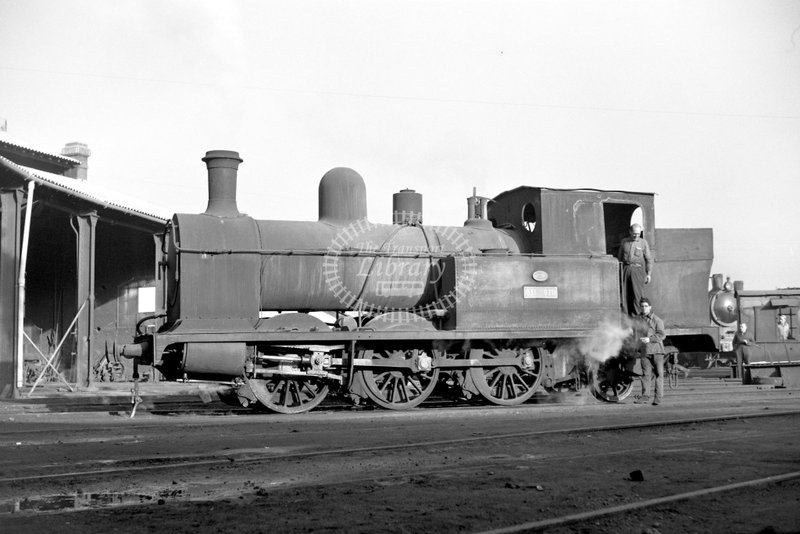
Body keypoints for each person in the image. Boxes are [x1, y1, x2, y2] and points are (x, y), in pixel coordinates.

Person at [633, 297, 666, 405]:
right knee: (645, 375)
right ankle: (645, 396)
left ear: (650, 307)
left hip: (656, 351)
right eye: (642, 306)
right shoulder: (637, 319)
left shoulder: (657, 320)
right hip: (644, 351)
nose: (644, 308)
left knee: (659, 374)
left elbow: (662, 335)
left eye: (646, 306)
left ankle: (658, 398)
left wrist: (650, 339)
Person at [618, 223, 653, 316]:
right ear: (630, 232)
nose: (636, 235)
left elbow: (648, 259)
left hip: (638, 270)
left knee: (637, 295)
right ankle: (626, 318)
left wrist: (648, 274)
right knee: (625, 294)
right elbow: (620, 257)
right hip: (625, 269)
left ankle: (637, 317)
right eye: (634, 233)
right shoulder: (624, 242)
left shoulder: (643, 243)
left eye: (638, 233)